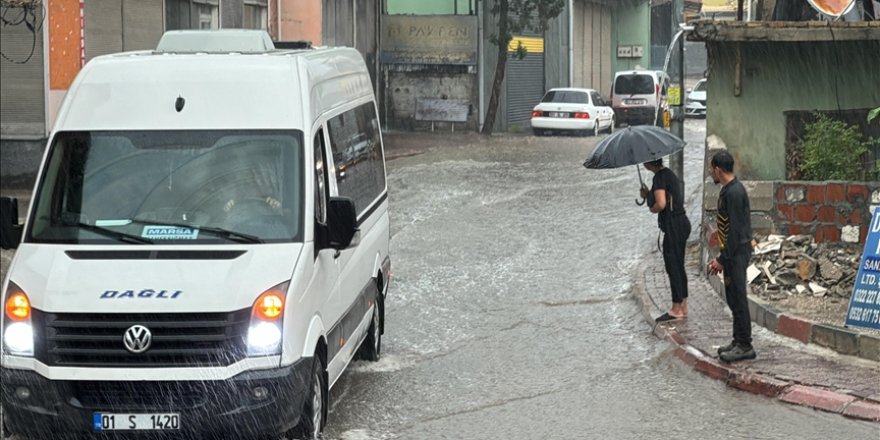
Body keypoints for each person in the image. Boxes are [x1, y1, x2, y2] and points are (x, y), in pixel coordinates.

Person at [707, 151, 756, 362]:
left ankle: (745, 345)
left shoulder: (735, 193)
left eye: (712, 169)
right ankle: (737, 340)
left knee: (738, 297)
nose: (711, 173)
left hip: (737, 252)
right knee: (733, 297)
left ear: (718, 169)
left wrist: (721, 259)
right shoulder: (728, 190)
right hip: (731, 252)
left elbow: (735, 232)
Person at [640, 158, 691, 322]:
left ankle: (676, 308)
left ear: (648, 163)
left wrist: (652, 208)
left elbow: (661, 204)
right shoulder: (668, 174)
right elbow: (665, 197)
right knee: (679, 266)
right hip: (682, 223)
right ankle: (683, 305)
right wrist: (648, 194)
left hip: (674, 227)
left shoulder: (659, 178)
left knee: (673, 267)